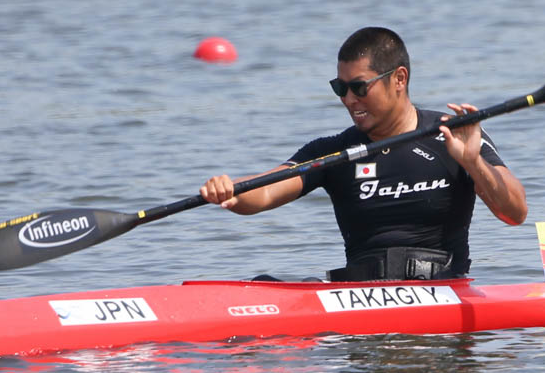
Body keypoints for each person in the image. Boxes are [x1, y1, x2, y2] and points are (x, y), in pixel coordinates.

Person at [199, 26, 527, 281]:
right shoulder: (332, 151)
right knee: (261, 285)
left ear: (399, 79)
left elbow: (515, 212)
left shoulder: (454, 135)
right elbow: (268, 189)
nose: (349, 99)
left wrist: (472, 162)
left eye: (359, 87)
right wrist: (232, 192)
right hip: (359, 300)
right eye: (340, 88)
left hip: (442, 290)